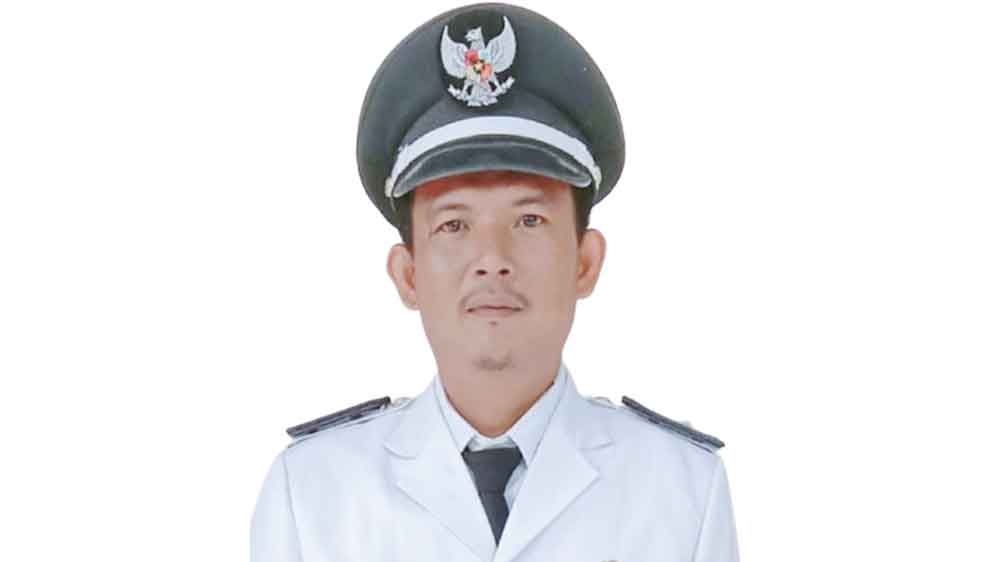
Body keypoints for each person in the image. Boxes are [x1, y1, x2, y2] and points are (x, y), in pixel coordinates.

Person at [250, 3, 740, 561]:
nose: (492, 260)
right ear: (408, 274)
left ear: (585, 261)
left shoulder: (681, 490)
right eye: (454, 225)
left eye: (529, 220)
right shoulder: (314, 493)